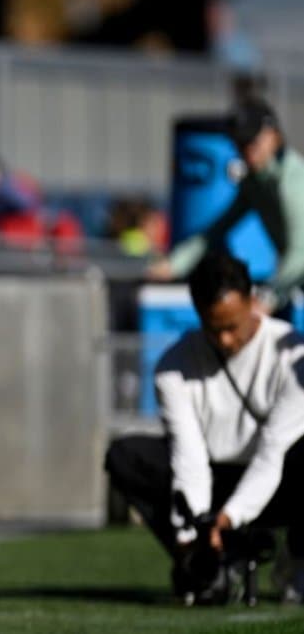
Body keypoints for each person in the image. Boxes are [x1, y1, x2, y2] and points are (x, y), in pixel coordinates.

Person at [106, 251, 304, 603]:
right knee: (127, 454)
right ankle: (209, 564)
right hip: (216, 479)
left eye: (232, 327)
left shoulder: (290, 354)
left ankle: (296, 555)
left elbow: (273, 451)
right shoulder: (174, 367)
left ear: (251, 302)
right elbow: (189, 455)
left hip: (281, 482)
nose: (225, 341)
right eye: (215, 330)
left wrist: (231, 517)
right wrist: (194, 527)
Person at [148, 98, 304, 314]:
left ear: (273, 136)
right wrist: (175, 264)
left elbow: (300, 253)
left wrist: (269, 297)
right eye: (241, 145)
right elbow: (215, 230)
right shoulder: (255, 184)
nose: (248, 152)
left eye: (253, 143)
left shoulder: (293, 179)